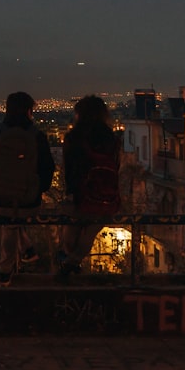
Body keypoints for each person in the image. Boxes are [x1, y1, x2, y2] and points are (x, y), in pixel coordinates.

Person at [0, 91, 55, 286]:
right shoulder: (38, 137)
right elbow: (47, 173)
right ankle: (23, 251)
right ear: (30, 111)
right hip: (30, 203)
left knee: (8, 217)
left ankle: (5, 268)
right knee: (15, 214)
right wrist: (35, 191)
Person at [57, 95, 120, 281]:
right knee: (93, 229)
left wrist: (71, 192)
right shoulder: (111, 139)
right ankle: (73, 263)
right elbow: (116, 167)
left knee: (71, 231)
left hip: (80, 195)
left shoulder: (74, 138)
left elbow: (69, 170)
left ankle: (68, 264)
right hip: (107, 197)